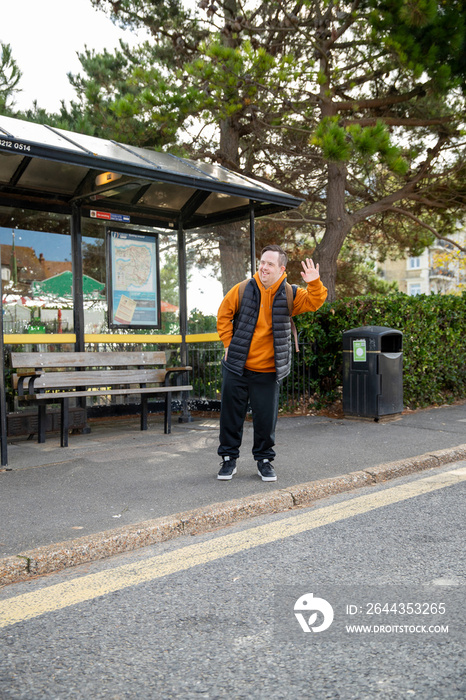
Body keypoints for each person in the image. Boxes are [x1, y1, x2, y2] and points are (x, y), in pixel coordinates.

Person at [216, 244, 328, 482]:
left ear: (281, 268)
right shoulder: (243, 289)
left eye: (269, 264)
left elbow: (316, 301)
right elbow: (223, 314)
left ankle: (264, 461)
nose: (263, 267)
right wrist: (227, 343)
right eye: (262, 262)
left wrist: (314, 282)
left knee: (266, 420)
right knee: (230, 416)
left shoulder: (291, 294)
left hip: (268, 371)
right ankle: (228, 460)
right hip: (236, 366)